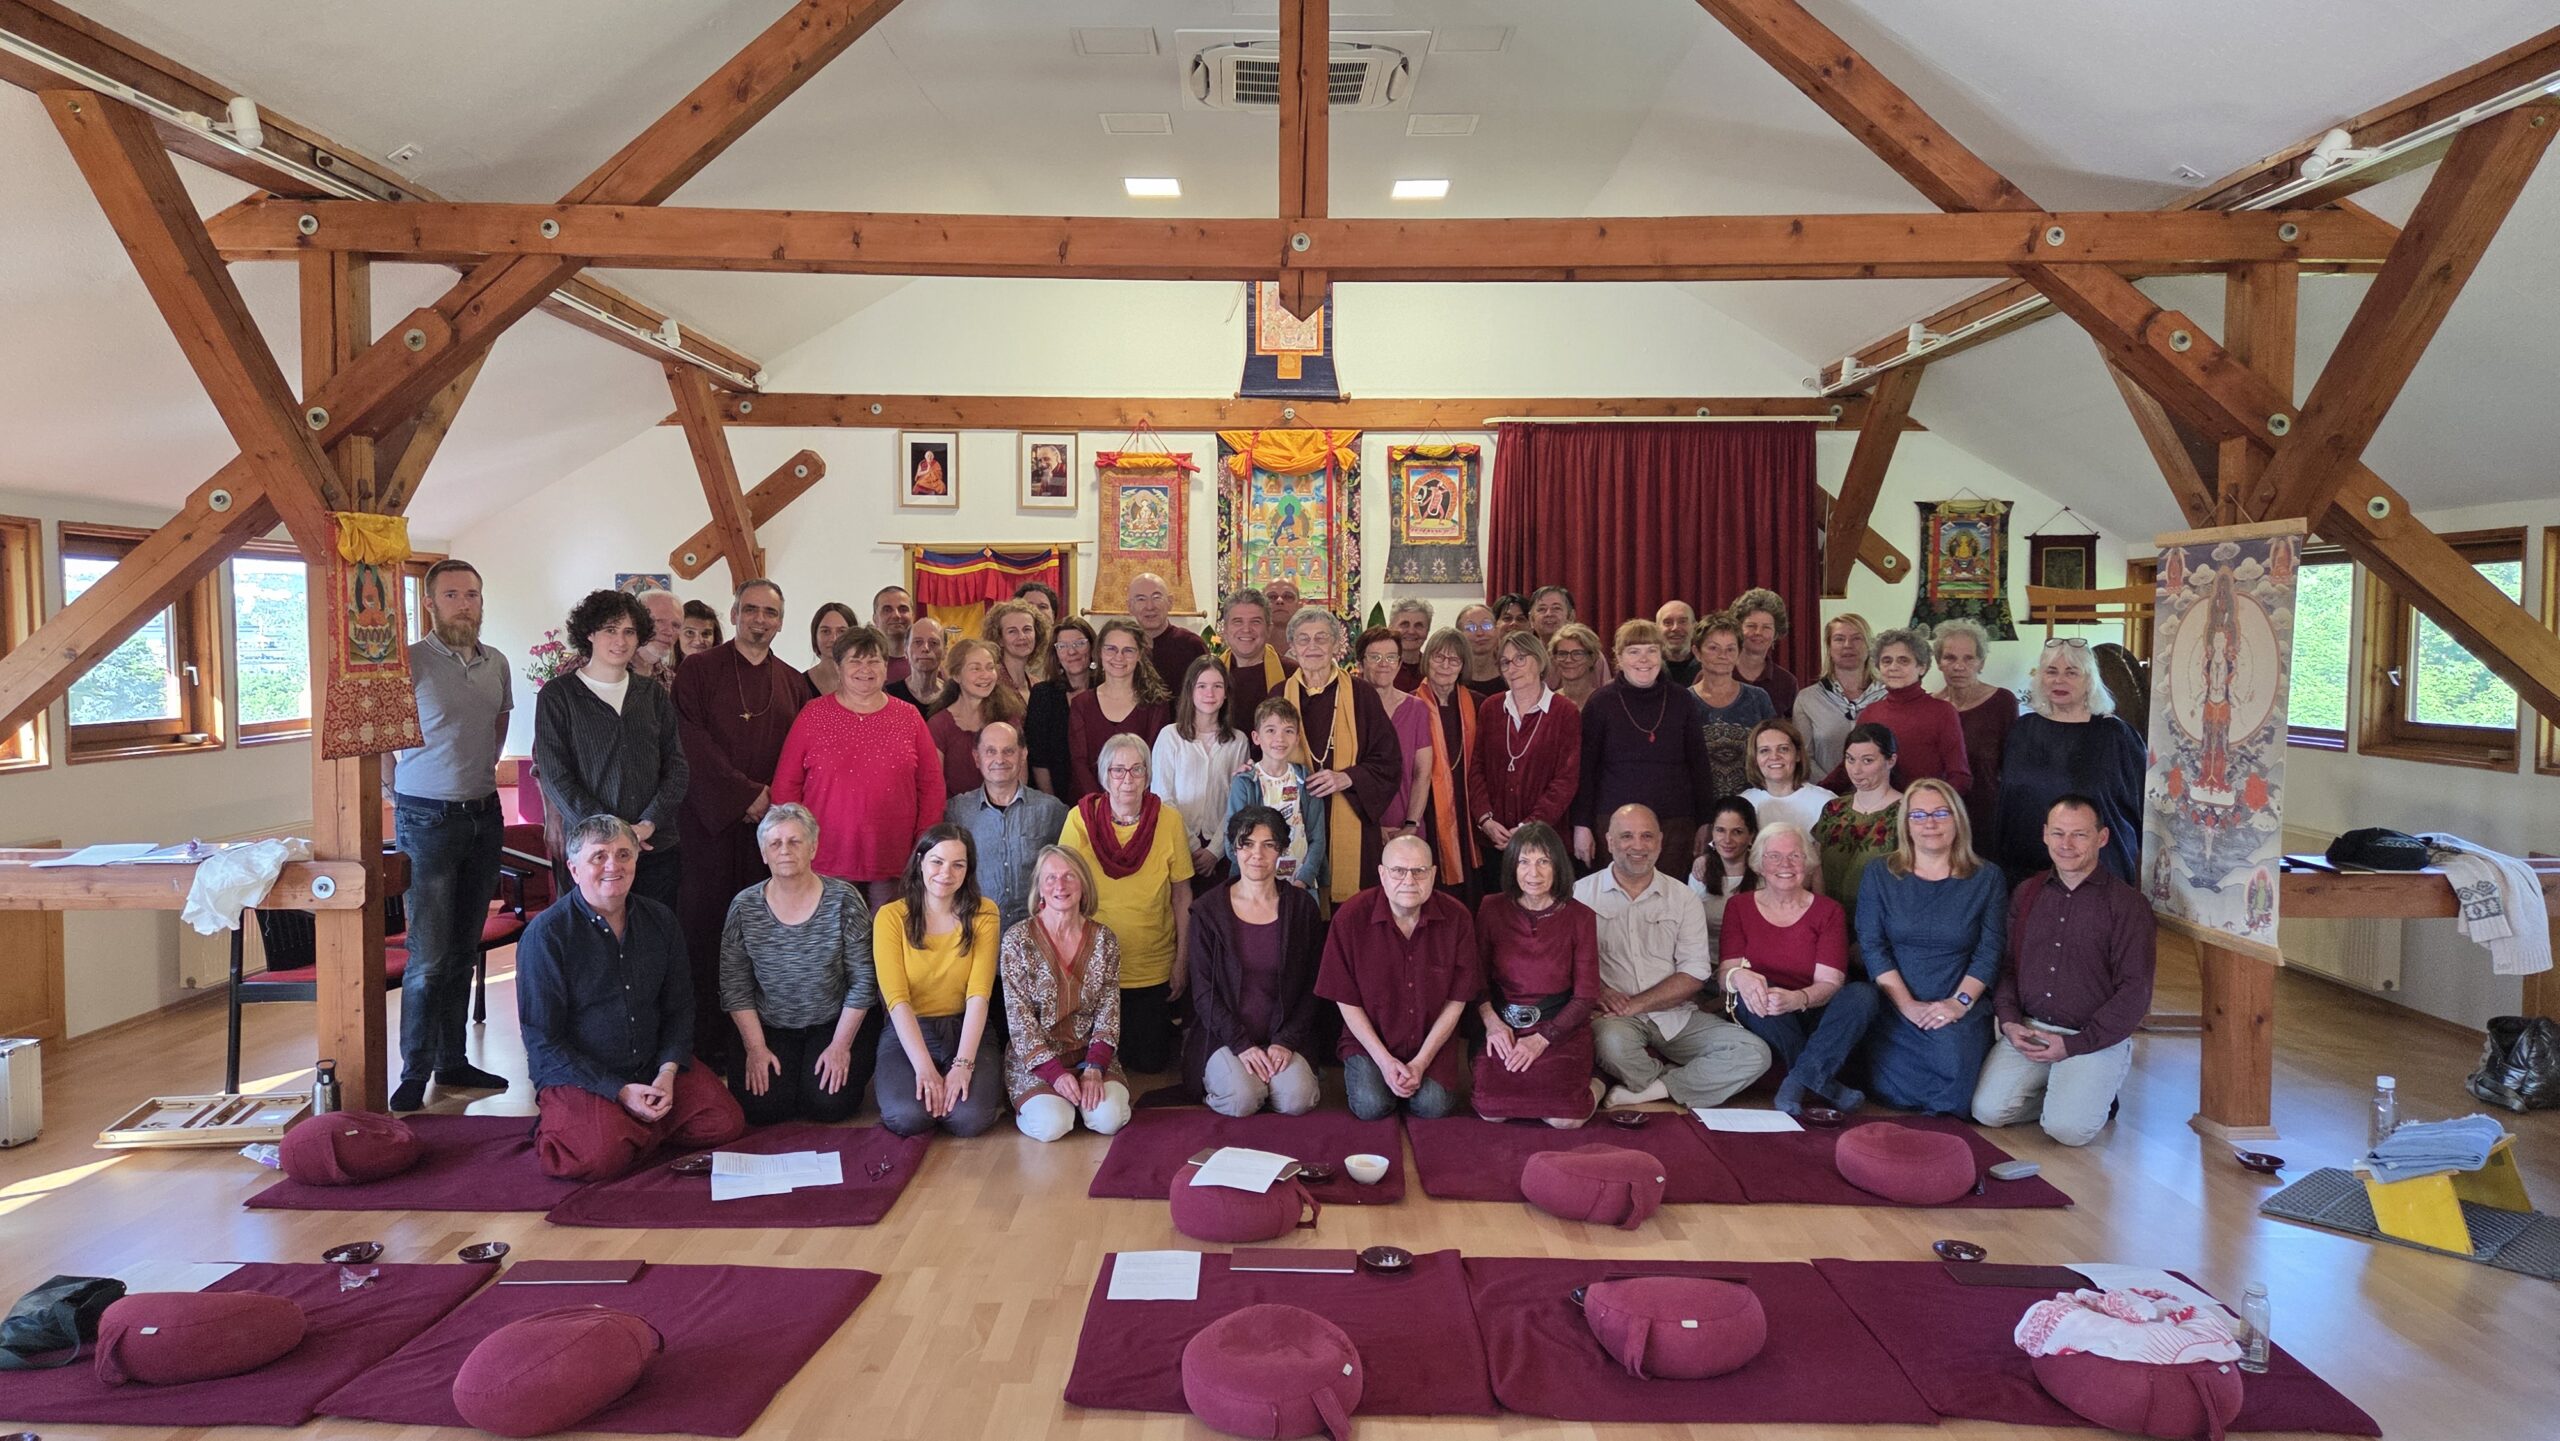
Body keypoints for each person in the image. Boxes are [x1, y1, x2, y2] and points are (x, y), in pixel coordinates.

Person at [520, 815, 745, 1180]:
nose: (614, 866)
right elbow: (543, 1041)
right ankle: (593, 1124)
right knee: (598, 1158)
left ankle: (628, 1129)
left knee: (723, 1122)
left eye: (623, 855)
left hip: (652, 1065)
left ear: (636, 862)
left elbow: (680, 1007)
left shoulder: (661, 920)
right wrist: (619, 1091)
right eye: (599, 857)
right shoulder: (547, 935)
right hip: (584, 1076)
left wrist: (667, 1073)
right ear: (574, 869)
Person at [386, 558, 513, 1112]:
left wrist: (480, 772)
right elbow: (380, 740)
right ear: (430, 604)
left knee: (464, 951)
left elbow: (498, 726)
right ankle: (413, 1073)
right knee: (429, 957)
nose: (465, 604)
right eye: (453, 595)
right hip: (425, 820)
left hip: (483, 816)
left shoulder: (496, 663)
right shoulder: (407, 662)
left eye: (473, 595)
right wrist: (399, 793)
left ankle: (452, 1061)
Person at [672, 578, 814, 1063]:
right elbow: (689, 741)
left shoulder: (793, 681)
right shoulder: (697, 671)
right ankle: (705, 1048)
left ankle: (760, 1046)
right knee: (706, 932)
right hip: (708, 829)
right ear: (733, 615)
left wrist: (772, 802)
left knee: (765, 935)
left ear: (781, 621)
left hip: (770, 835)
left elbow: (801, 754)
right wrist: (744, 795)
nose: (760, 620)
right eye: (750, 609)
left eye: (770, 613)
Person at [1973, 795, 2153, 1145]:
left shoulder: (2128, 905)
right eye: (2058, 833)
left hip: (2092, 1037)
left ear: (2102, 837)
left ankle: (2087, 1093)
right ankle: (2068, 1092)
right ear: (2045, 835)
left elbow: (2136, 991)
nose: (2066, 845)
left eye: (2079, 835)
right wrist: (2009, 1022)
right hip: (2032, 1030)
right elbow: (2008, 966)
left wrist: (2074, 1046)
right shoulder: (2027, 892)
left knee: (2067, 1131)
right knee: (1987, 1112)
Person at [1576, 805, 1771, 1108]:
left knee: (1754, 1053)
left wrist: (1635, 1005)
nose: (1638, 845)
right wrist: (1599, 991)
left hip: (1675, 1015)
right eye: (1626, 836)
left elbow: (1694, 973)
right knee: (1611, 1046)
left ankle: (1656, 1087)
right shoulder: (1579, 895)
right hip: (1611, 1020)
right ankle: (1675, 1082)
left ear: (1660, 841)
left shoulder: (1683, 898)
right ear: (1609, 841)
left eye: (1647, 836)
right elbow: (1565, 965)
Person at [719, 803, 880, 1125]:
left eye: (795, 841)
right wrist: (756, 1049)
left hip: (833, 1023)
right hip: (769, 1026)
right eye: (775, 843)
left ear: (813, 848)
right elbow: (735, 987)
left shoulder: (844, 899)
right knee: (762, 1108)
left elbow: (864, 981)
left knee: (828, 1105)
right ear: (763, 853)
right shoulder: (744, 906)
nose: (785, 850)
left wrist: (840, 1046)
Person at [1855, 778, 2007, 1115]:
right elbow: (1873, 946)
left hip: (1959, 1003)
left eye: (1941, 813)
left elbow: (1990, 951)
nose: (1930, 823)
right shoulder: (1879, 873)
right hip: (1896, 1000)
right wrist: (1907, 1005)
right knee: (1888, 1090)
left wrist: (1958, 1004)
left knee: (1953, 1084)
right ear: (1906, 824)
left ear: (1957, 819)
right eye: (1918, 815)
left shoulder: (1988, 878)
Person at [536, 588, 689, 912]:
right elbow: (556, 775)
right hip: (591, 850)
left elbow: (676, 768)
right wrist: (612, 833)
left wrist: (648, 823)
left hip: (654, 847)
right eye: (610, 630)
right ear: (589, 633)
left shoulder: (653, 695)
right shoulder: (558, 695)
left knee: (652, 935)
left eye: (629, 631)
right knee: (592, 938)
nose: (620, 640)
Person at [771, 624, 945, 908]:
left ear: (886, 667)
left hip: (893, 858)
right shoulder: (813, 714)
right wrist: (794, 842)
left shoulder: (909, 717)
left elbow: (931, 786)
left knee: (887, 933)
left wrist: (924, 843)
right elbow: (786, 786)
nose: (865, 669)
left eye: (874, 660)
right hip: (825, 857)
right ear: (838, 667)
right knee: (831, 934)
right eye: (855, 660)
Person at [1716, 821, 1876, 1115]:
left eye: (1795, 856)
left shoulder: (1828, 911)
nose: (1785, 864)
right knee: (1756, 995)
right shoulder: (1739, 906)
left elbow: (1830, 982)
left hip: (1812, 1006)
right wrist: (1740, 977)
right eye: (1774, 856)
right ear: (1760, 864)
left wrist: (1798, 998)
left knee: (1863, 995)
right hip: (1763, 1009)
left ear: (1808, 862)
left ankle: (1797, 1083)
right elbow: (1726, 972)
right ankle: (1826, 1086)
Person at [1318, 836, 1480, 1119]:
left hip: (1430, 1040)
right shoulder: (1351, 917)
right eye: (1398, 871)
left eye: (1419, 871)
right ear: (1382, 874)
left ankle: (1410, 1080)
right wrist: (1384, 1061)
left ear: (1433, 874)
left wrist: (1421, 1062)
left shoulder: (1458, 918)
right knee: (1372, 1106)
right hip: (1371, 1041)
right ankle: (1386, 1080)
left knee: (1433, 1106)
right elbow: (1346, 1000)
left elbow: (1457, 1001)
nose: (1409, 880)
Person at [1060, 734, 1195, 1072]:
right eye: (1117, 770)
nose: (1127, 779)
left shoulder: (1169, 820)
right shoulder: (1080, 819)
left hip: (1151, 966)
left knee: (1148, 1063)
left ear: (1148, 775)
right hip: (1094, 967)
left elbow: (1182, 895)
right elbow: (1061, 892)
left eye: (1137, 769)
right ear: (1104, 776)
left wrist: (1181, 960)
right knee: (1095, 1064)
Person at [1185, 806, 1328, 1116]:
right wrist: (1242, 1045)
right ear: (1234, 849)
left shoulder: (1302, 908)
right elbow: (1203, 993)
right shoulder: (1208, 911)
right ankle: (1239, 1086)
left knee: (1297, 1101)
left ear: (1282, 849)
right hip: (1225, 1038)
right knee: (1243, 1099)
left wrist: (1286, 1041)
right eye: (1247, 844)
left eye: (1269, 844)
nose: (1257, 855)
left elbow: (1312, 986)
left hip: (1284, 1036)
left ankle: (1267, 1084)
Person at [872, 825, 1006, 1137]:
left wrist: (963, 1065)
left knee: (969, 1119)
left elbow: (979, 995)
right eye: (937, 861)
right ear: (920, 862)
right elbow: (896, 1001)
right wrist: (924, 1068)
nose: (946, 873)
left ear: (968, 870)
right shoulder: (890, 916)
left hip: (965, 1027)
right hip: (911, 1029)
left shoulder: (985, 913)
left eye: (958, 865)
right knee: (908, 1117)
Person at [1473, 822, 1602, 1126]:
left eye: (1544, 861)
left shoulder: (1581, 916)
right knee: (1491, 1112)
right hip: (1505, 1025)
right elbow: (1476, 979)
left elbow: (1586, 996)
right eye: (1524, 862)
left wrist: (1543, 1038)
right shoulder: (1491, 908)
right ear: (1512, 866)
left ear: (1558, 866)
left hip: (1560, 1027)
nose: (1534, 873)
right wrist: (1492, 1023)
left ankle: (1599, 1082)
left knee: (1564, 1120)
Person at [1000, 846, 1132, 1142]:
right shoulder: (1017, 940)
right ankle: (1050, 1106)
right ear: (1039, 888)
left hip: (1090, 1057)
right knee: (1052, 1126)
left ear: (1083, 884)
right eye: (1050, 878)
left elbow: (1109, 1013)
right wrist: (1056, 1074)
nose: (1060, 885)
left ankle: (1080, 1104)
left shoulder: (1105, 940)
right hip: (1037, 1062)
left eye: (1069, 876)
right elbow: (1020, 1023)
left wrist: (1095, 1068)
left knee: (1110, 1119)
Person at [1992, 638, 2145, 885]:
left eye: (2071, 672)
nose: (2059, 680)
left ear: (2090, 681)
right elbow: (2008, 804)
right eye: (2051, 671)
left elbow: (2139, 809)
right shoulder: (2022, 729)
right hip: (2025, 874)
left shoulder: (2115, 735)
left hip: (2093, 875)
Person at [1280, 609, 1405, 905]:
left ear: (1337, 644)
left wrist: (1348, 778)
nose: (1312, 646)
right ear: (1293, 647)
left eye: (1321, 638)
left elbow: (1388, 760)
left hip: (1351, 813)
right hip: (1295, 815)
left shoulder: (1362, 694)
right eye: (1303, 639)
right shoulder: (1279, 695)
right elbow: (1266, 755)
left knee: (1350, 908)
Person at [1574, 618, 1712, 880]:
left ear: (1661, 655)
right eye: (1634, 651)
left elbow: (1699, 765)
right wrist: (1582, 825)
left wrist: (1705, 821)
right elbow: (1586, 771)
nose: (1644, 659)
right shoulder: (1600, 702)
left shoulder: (1682, 699)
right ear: (1619, 657)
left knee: (1667, 896)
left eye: (1651, 650)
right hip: (1613, 823)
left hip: (1674, 823)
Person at [1471, 628, 1581, 894]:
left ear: (1540, 661)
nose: (1512, 668)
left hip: (1544, 841)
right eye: (1505, 662)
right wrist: (1486, 820)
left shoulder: (1564, 711)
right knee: (1497, 910)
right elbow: (1476, 768)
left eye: (1520, 659)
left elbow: (1566, 780)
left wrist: (1528, 827)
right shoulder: (1491, 708)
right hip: (1494, 839)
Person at [945, 721, 1069, 936]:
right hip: (977, 935)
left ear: (1023, 755)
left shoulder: (1051, 811)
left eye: (1008, 751)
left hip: (1038, 937)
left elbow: (1070, 875)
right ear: (977, 758)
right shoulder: (957, 812)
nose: (1000, 759)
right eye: (990, 751)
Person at [1825, 626, 1970, 796]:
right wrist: (1813, 793)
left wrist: (1930, 804)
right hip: (1878, 808)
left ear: (1922, 667)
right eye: (1886, 661)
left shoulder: (1942, 712)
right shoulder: (1871, 713)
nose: (1893, 667)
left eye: (1903, 660)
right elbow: (1848, 768)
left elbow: (1960, 776)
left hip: (1924, 808)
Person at [1152, 656, 1251, 893]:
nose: (1210, 693)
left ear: (1226, 693)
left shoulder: (1238, 741)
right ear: (1190, 690)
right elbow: (1162, 797)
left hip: (1222, 848)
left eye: (1217, 686)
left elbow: (1238, 802)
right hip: (1175, 843)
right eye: (1202, 686)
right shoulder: (1170, 736)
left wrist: (1214, 851)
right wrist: (1193, 846)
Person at [1228, 699, 1328, 895]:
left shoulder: (1307, 781)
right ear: (1256, 737)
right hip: (1255, 888)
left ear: (1297, 738)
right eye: (1271, 730)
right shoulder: (1245, 783)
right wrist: (1258, 880)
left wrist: (1303, 880)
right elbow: (1232, 839)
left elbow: (1317, 837)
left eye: (1288, 731)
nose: (1279, 738)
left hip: (1300, 885)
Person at [1068, 618, 1172, 800]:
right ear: (1099, 652)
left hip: (1139, 804)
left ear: (1139, 655)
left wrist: (1131, 805)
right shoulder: (1081, 704)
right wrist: (1101, 805)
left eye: (1128, 650)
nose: (1119, 657)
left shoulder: (1156, 705)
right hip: (1090, 805)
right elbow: (1079, 763)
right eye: (1111, 649)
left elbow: (1154, 762)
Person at [1812, 723, 1903, 926]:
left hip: (1883, 923)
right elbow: (1817, 867)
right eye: (1850, 759)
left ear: (1891, 760)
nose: (1856, 770)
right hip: (1832, 920)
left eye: (1867, 760)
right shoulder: (1833, 808)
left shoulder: (1907, 811)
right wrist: (1824, 916)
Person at [1933, 617, 2016, 840]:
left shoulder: (2002, 702)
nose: (1959, 666)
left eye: (1969, 658)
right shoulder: (1930, 707)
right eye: (1950, 657)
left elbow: (2011, 767)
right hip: (1939, 816)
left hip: (1987, 817)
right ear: (1938, 662)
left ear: (1981, 663)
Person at [1355, 627, 1437, 846]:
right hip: (1359, 828)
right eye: (1375, 657)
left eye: (1391, 657)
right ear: (1360, 664)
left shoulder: (1417, 709)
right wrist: (1370, 828)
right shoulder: (1348, 708)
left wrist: (1411, 823)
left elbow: (1422, 773)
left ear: (1399, 664)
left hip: (1407, 827)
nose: (1384, 664)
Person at [1414, 627, 1481, 894]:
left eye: (1454, 660)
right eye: (1439, 657)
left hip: (1469, 805)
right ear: (1427, 658)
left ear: (1463, 665)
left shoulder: (1478, 704)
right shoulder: (1410, 704)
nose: (1445, 665)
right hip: (1426, 806)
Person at [1688, 613, 1777, 802]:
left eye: (1730, 649)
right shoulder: (1684, 701)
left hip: (1753, 802)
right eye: (1713, 648)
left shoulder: (1758, 698)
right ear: (1697, 652)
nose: (1723, 655)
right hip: (1698, 803)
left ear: (1739, 653)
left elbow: (1774, 752)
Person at [927, 636, 1024, 795]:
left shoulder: (1008, 718)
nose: (986, 675)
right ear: (956, 675)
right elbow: (934, 786)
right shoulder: (939, 725)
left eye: (990, 667)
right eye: (976, 669)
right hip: (954, 809)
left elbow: (1020, 778)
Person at [1792, 612, 1883, 778]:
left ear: (1869, 645)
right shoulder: (1808, 699)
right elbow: (1804, 756)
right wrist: (1831, 788)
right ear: (1829, 647)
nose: (1848, 645)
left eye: (1857, 638)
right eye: (1839, 639)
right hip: (1825, 789)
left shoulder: (1888, 697)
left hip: (1881, 789)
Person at [1026, 616, 1097, 797]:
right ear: (1055, 654)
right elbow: (1038, 758)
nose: (1071, 652)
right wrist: (1053, 803)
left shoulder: (1106, 690)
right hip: (1055, 795)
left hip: (1103, 794)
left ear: (1092, 647)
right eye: (1062, 646)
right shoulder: (1043, 694)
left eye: (1079, 643)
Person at [1738, 718, 1835, 836]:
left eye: (1783, 749)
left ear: (1798, 755)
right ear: (1755, 759)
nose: (1774, 757)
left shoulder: (1827, 803)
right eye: (1764, 750)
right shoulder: (1742, 803)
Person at [1214, 587, 1295, 720]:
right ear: (1225, 630)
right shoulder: (1209, 674)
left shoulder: (1292, 674)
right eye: (1238, 621)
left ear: (1269, 629)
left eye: (1255, 622)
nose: (1246, 629)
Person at [1689, 796, 1759, 937]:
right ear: (1712, 833)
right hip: (1705, 950)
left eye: (1737, 832)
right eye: (1720, 830)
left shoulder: (1765, 873)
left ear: (1751, 835)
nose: (1727, 840)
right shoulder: (1700, 873)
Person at [1730, 588, 1800, 717]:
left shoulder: (1787, 682)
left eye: (1766, 627)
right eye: (1751, 626)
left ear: (1776, 633)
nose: (1758, 632)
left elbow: (1790, 727)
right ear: (1738, 628)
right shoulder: (1715, 673)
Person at [1129, 571, 1207, 687]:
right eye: (1141, 599)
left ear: (1170, 602)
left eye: (1156, 597)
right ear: (1130, 607)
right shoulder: (1123, 648)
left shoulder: (1191, 645)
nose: (1150, 606)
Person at [981, 598, 1048, 701]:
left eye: (1027, 629)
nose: (1022, 636)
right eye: (1012, 631)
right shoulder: (990, 682)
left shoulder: (1037, 685)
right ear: (999, 639)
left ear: (1037, 634)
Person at [886, 617, 950, 711]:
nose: (925, 648)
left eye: (933, 643)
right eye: (917, 642)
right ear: (906, 650)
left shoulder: (955, 696)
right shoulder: (889, 696)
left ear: (945, 652)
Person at [1547, 621, 1609, 708]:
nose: (1568, 660)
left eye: (1577, 654)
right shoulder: (1547, 703)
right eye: (1562, 654)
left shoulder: (1606, 702)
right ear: (1554, 659)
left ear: (1592, 658)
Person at [629, 587, 683, 684]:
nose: (669, 632)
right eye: (659, 621)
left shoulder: (672, 681)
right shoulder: (611, 671)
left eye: (675, 625)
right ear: (636, 621)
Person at [803, 601, 856, 697]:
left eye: (841, 631)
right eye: (826, 631)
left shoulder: (865, 681)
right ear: (815, 636)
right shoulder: (798, 684)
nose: (833, 639)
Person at [1454, 602, 1505, 700]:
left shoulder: (1511, 673)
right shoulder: (1451, 677)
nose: (1480, 633)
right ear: (1459, 635)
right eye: (1470, 628)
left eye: (1487, 625)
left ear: (1497, 630)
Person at [872, 585, 916, 685]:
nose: (896, 615)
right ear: (875, 619)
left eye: (903, 609)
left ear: (913, 616)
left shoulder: (926, 663)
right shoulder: (865, 665)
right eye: (887, 610)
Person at [1388, 598, 1434, 692]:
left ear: (1427, 631)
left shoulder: (1434, 670)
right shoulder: (1380, 668)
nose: (1411, 631)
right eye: (1404, 624)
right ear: (1390, 628)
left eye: (1418, 625)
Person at [1654, 599, 1702, 687]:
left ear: (1694, 627)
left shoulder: (1708, 667)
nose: (1675, 628)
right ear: (1657, 629)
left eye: (1683, 621)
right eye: (1668, 623)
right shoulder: (1646, 667)